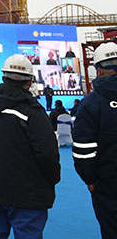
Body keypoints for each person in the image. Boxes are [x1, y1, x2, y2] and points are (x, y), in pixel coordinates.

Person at [0, 54, 60, 239]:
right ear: (30, 81)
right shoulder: (32, 111)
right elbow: (47, 153)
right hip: (27, 193)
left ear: (3, 78)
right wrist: (53, 178)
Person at [72, 42, 117, 238]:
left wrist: (90, 179)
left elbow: (83, 150)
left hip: (109, 184)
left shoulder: (91, 104)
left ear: (98, 70)